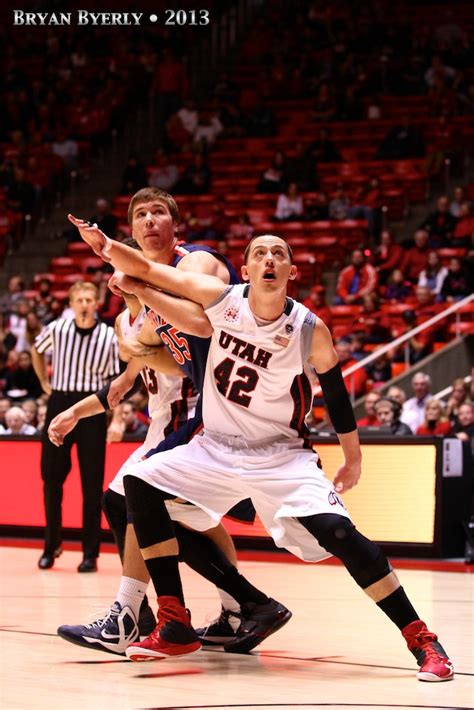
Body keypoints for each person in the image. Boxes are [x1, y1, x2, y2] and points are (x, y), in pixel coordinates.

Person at [76, 227, 453, 681]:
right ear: (248, 268)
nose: (269, 259)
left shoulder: (309, 329)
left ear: (291, 271)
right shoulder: (221, 300)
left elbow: (336, 395)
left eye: (279, 253)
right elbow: (151, 269)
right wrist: (108, 248)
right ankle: (173, 620)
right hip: (214, 448)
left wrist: (353, 458)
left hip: (281, 456)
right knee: (138, 482)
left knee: (342, 537)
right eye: (259, 253)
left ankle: (423, 640)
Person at [55, 189, 290, 655]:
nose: (149, 220)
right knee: (187, 518)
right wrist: (79, 409)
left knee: (130, 503)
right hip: (175, 420)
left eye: (158, 211)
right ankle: (240, 606)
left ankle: (136, 613)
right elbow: (135, 371)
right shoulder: (132, 311)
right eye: (140, 214)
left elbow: (193, 335)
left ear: (174, 224)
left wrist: (142, 319)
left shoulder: (194, 264)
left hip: (212, 412)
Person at [31, 281, 120, 572]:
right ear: (71, 303)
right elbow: (36, 348)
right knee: (51, 479)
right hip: (59, 404)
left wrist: (115, 417)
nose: (84, 304)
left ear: (97, 303)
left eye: (89, 299)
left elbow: (113, 381)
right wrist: (45, 383)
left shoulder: (108, 336)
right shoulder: (58, 329)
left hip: (91, 409)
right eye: (79, 299)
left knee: (92, 484)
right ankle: (51, 545)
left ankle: (89, 553)